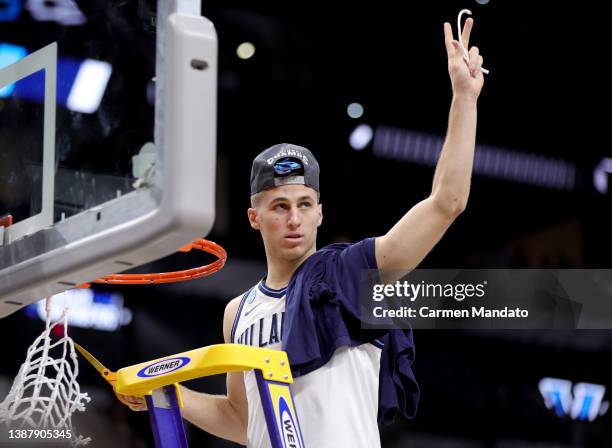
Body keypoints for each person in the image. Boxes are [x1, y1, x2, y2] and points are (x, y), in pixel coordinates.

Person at [120, 17, 486, 447]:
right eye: (279, 206)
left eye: (304, 205)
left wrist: (464, 98)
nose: (294, 218)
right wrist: (170, 394)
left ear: (319, 214)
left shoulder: (351, 273)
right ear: (254, 218)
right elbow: (243, 419)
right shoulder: (237, 312)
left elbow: (447, 202)